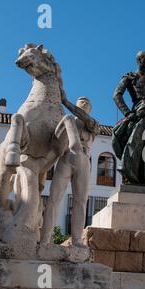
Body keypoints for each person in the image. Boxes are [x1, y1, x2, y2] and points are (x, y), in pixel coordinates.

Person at [40, 97, 99, 247]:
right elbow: (55, 143)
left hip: (84, 160)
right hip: (65, 159)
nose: (84, 103)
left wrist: (65, 102)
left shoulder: (93, 123)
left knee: (80, 201)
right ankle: (45, 239)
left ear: (89, 109)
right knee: (53, 198)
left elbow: (86, 119)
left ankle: (77, 240)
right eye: (81, 102)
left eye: (86, 103)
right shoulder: (67, 119)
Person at [112, 51, 145, 185]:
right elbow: (116, 95)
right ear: (139, 60)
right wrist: (127, 113)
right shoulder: (130, 77)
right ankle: (129, 172)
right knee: (135, 143)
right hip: (139, 113)